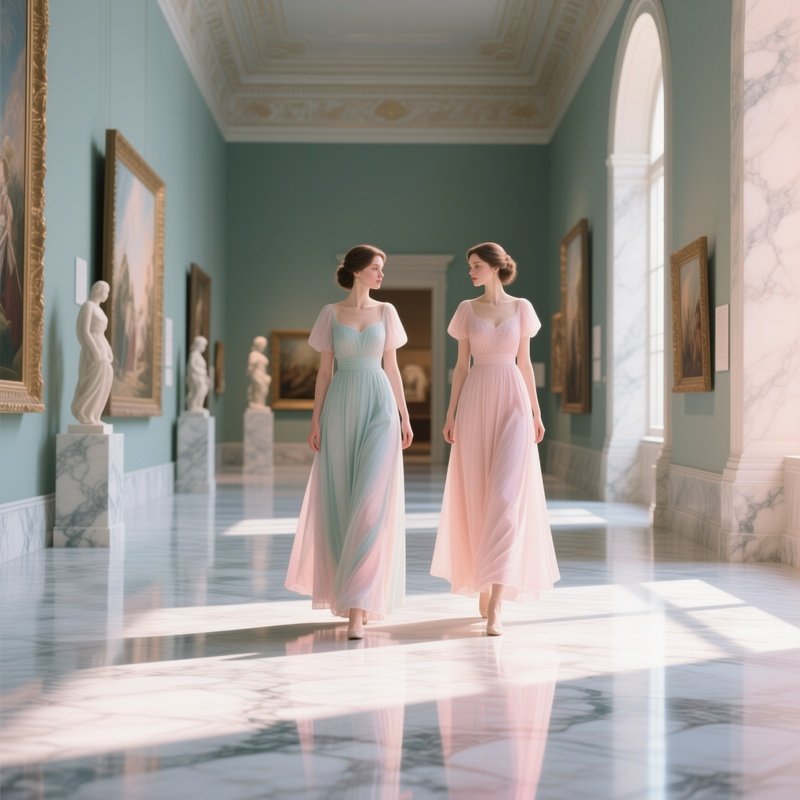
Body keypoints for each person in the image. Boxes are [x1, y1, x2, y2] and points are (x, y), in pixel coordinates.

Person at [285, 244, 413, 640]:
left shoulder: (387, 312)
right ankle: (350, 594)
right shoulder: (330, 313)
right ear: (357, 271)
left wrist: (405, 416)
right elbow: (324, 374)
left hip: (379, 405)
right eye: (376, 268)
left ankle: (360, 607)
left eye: (382, 269)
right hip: (340, 406)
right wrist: (315, 420)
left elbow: (392, 368)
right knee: (342, 500)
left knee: (371, 503)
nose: (381, 275)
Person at [431, 242, 560, 635]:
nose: (470, 272)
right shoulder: (466, 311)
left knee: (507, 497)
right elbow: (460, 367)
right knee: (478, 494)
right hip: (475, 402)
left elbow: (524, 364)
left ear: (495, 267)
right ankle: (484, 580)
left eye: (475, 266)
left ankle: (498, 605)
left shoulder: (522, 308)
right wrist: (451, 413)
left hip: (514, 403)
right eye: (470, 266)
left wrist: (536, 413)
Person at [71, 281, 114, 426]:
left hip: (101, 344)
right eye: (106, 291)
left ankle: (94, 415)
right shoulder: (88, 306)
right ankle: (84, 413)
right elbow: (85, 331)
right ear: (98, 291)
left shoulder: (100, 310)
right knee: (92, 381)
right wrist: (95, 350)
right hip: (92, 348)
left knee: (107, 375)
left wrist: (108, 349)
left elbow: (102, 333)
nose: (107, 295)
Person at [186, 335, 210, 412]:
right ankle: (193, 405)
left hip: (201, 376)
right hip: (196, 376)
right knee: (200, 389)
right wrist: (202, 372)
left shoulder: (199, 356)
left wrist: (205, 376)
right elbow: (191, 366)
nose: (204, 347)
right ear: (199, 345)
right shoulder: (194, 355)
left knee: (204, 389)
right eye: (203, 345)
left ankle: (199, 405)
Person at [246, 335, 271, 408]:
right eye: (263, 345)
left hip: (262, 374)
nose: (264, 347)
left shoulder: (259, 355)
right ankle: (257, 404)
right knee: (259, 389)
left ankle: (260, 404)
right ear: (258, 345)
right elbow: (251, 367)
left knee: (264, 390)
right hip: (257, 374)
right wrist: (251, 373)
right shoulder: (253, 355)